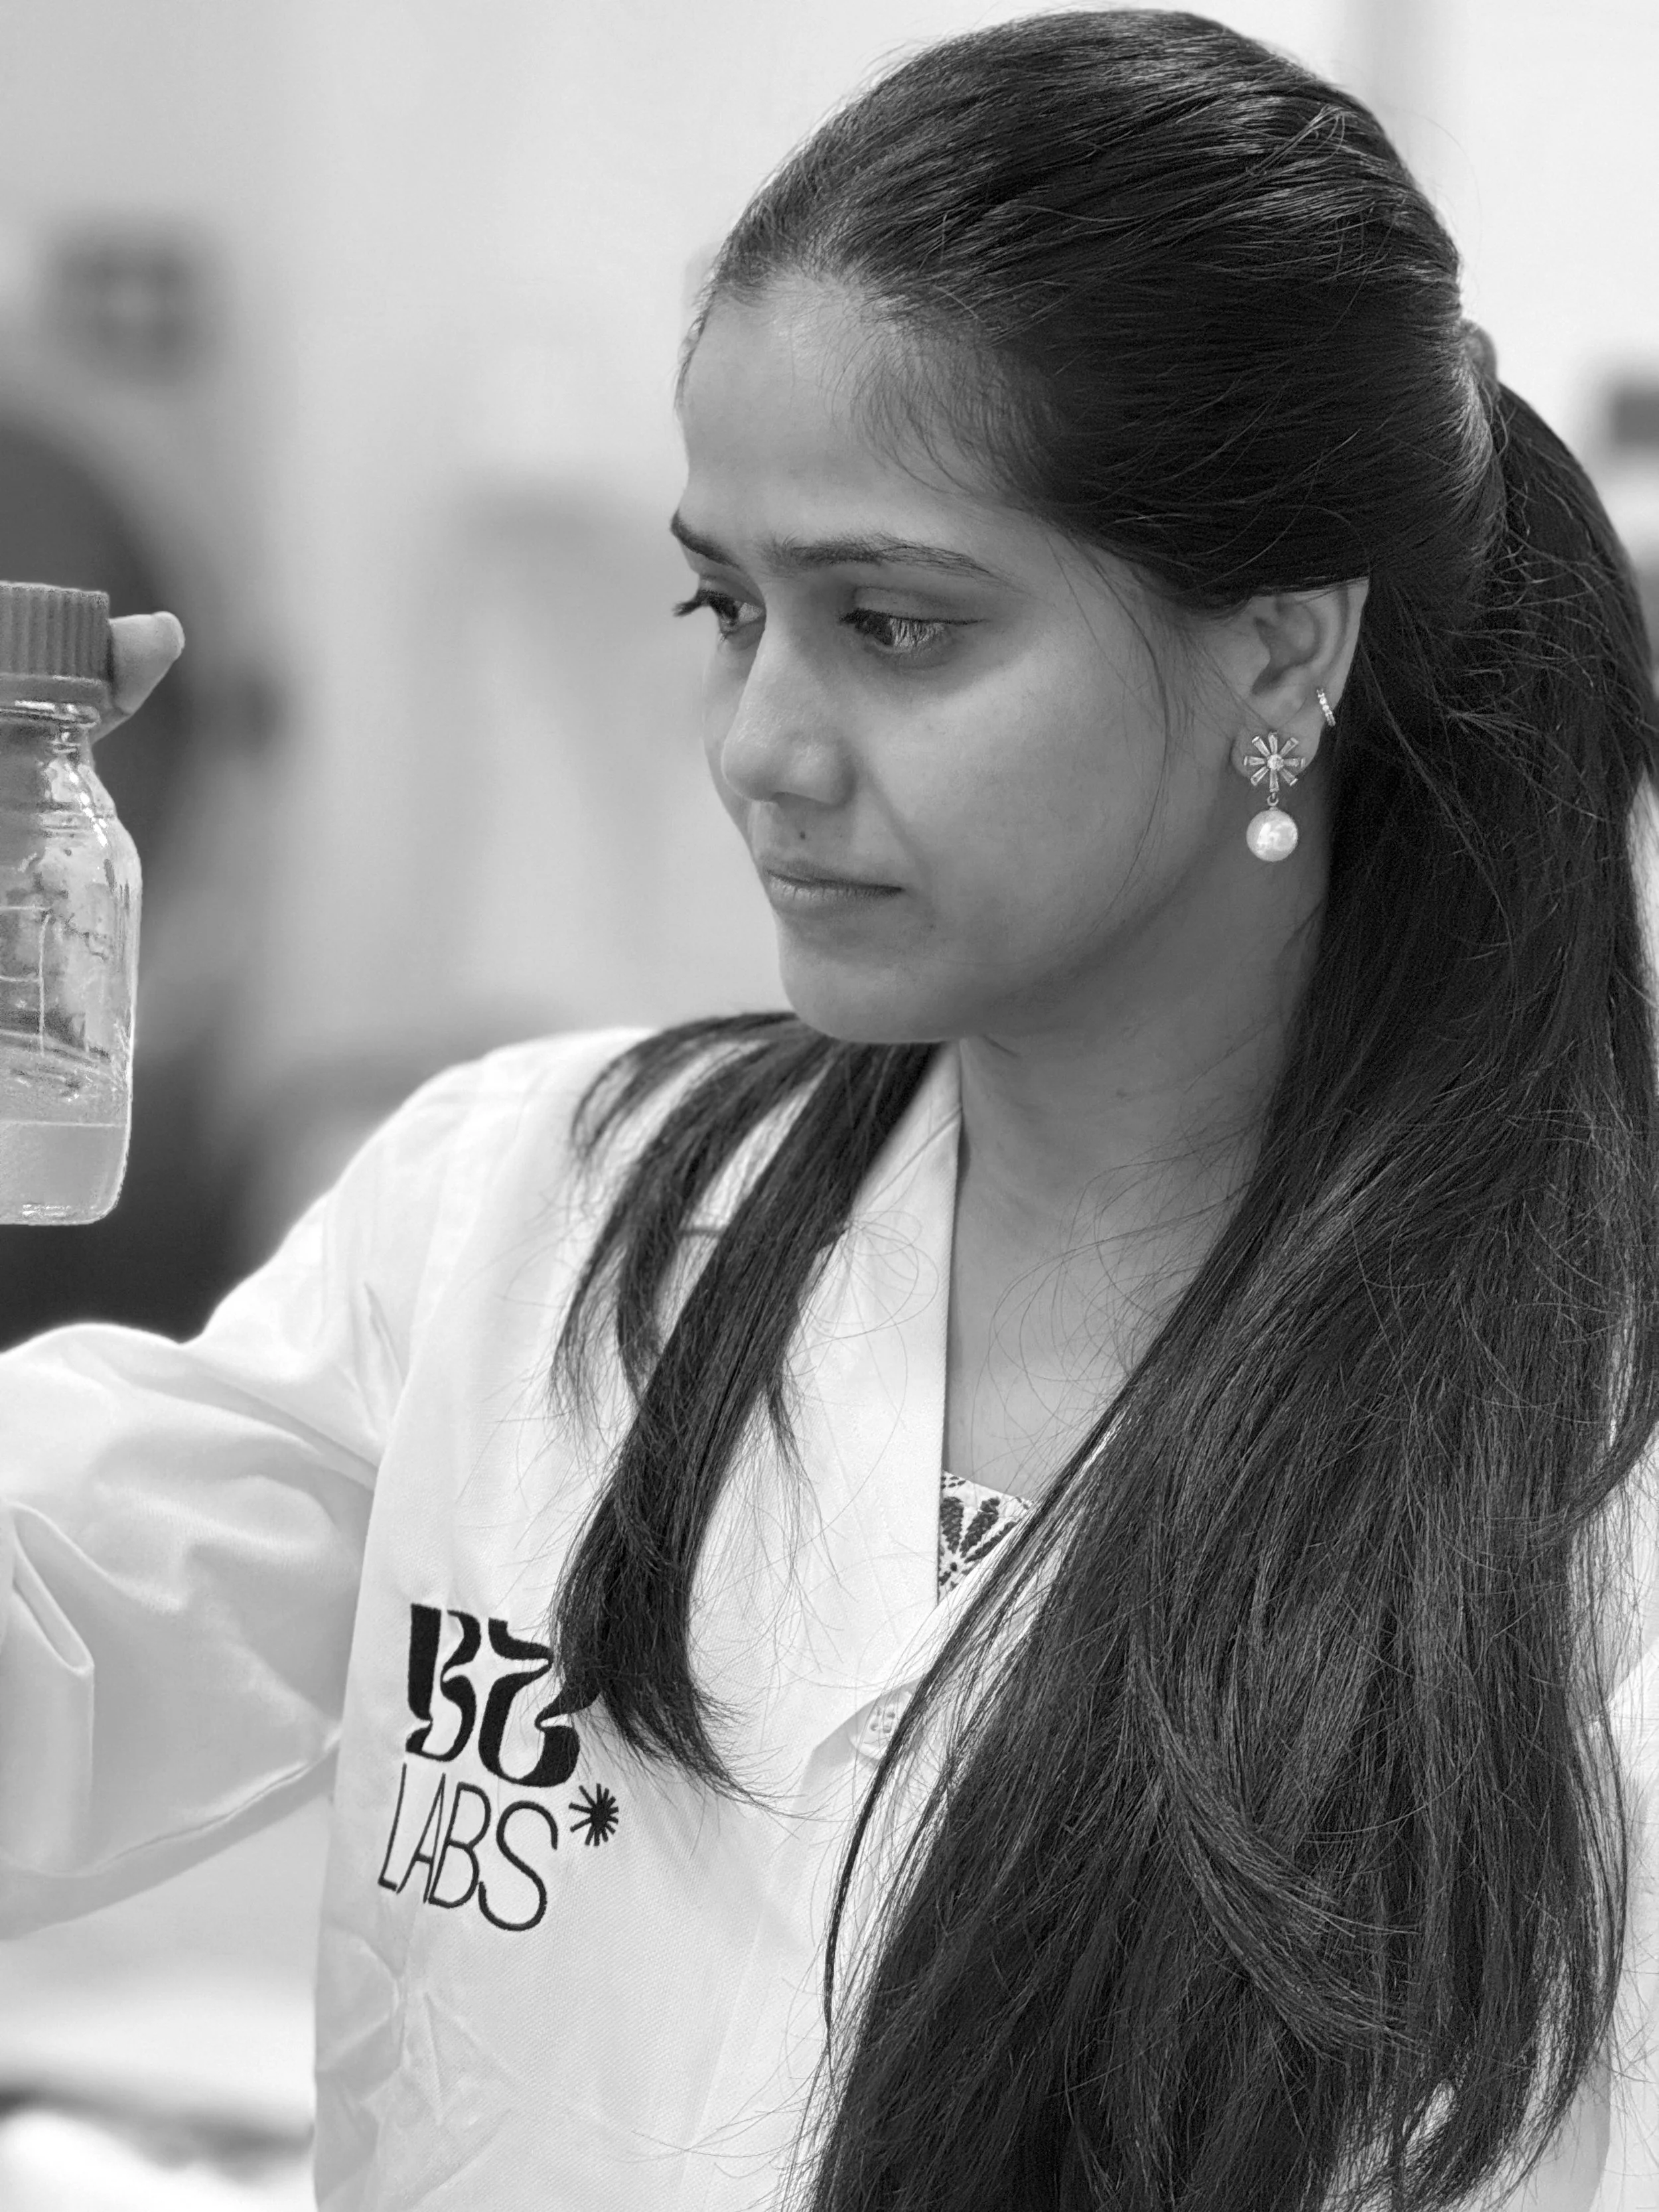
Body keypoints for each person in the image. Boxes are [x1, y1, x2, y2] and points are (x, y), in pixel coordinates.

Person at [2, 11, 1656, 2208]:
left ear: (1278, 656)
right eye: (727, 605)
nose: (759, 744)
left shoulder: (1584, 1471)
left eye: (892, 624)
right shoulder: (540, 1213)